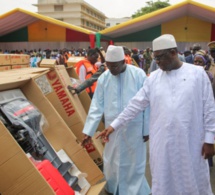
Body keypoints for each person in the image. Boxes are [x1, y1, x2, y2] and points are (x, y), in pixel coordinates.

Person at [97, 34, 215, 195]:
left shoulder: (197, 74)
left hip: (191, 141)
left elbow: (209, 108)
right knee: (164, 179)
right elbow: (135, 105)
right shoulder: (153, 79)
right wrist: (113, 126)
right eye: (155, 58)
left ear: (173, 52)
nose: (157, 62)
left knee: (191, 178)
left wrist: (209, 139)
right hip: (162, 142)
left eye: (160, 58)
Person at [81, 45, 151, 195]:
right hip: (111, 128)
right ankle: (114, 188)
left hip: (135, 127)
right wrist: (88, 131)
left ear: (123, 62)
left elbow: (146, 104)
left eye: (114, 66)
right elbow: (96, 106)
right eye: (109, 66)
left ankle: (135, 190)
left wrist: (146, 129)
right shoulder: (105, 78)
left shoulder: (138, 75)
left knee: (134, 162)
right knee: (112, 160)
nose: (111, 70)